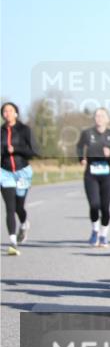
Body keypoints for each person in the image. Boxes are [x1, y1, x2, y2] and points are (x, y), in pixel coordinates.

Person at [76, 108, 110, 247]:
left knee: (105, 207)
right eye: (97, 115)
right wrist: (81, 158)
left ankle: (104, 235)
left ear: (107, 119)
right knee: (94, 205)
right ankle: (95, 230)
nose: (99, 118)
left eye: (102, 116)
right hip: (91, 173)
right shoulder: (87, 133)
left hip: (107, 174)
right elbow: (79, 146)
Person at [1, 102, 39, 255]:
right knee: (9, 208)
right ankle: (13, 243)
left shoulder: (24, 130)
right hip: (5, 173)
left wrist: (16, 149)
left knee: (18, 207)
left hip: (22, 171)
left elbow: (34, 151)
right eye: (4, 111)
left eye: (10, 110)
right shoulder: (1, 132)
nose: (7, 113)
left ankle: (23, 224)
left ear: (16, 113)